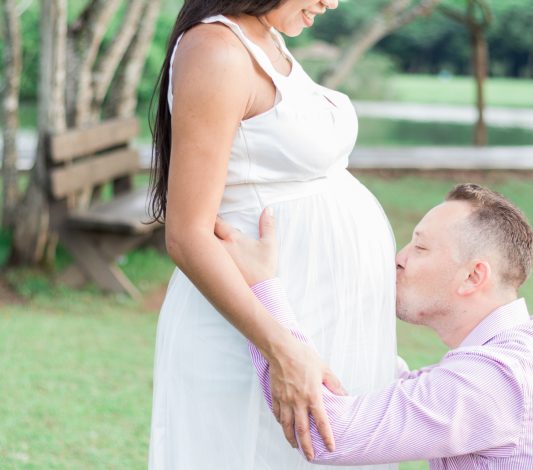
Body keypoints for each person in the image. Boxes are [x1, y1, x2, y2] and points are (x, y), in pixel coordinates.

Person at [147, 1, 398, 469]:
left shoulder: (268, 37)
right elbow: (187, 234)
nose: (332, 3)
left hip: (313, 318)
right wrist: (281, 348)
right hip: (257, 333)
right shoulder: (216, 49)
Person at [215, 183, 533, 469]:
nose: (399, 258)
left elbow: (326, 435)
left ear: (473, 277)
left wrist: (260, 287)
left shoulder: (493, 381)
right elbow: (417, 392)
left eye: (420, 247)